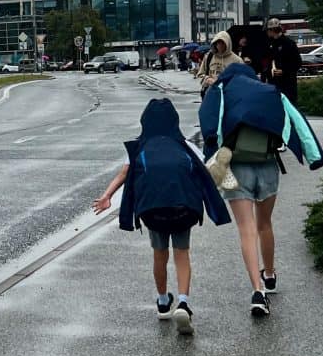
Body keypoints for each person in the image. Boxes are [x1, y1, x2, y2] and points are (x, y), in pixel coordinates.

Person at [92, 98, 231, 336]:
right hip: (183, 207)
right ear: (174, 121)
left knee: (159, 254)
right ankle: (184, 303)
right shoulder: (186, 145)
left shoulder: (139, 146)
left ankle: (163, 301)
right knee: (182, 254)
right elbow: (208, 174)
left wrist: (106, 196)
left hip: (152, 209)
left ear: (145, 121)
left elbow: (124, 174)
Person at [199, 63, 323, 317]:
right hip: (268, 166)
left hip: (236, 167)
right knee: (264, 224)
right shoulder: (271, 92)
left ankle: (257, 292)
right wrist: (314, 157)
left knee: (246, 229)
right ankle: (269, 275)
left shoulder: (221, 90)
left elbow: (208, 125)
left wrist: (211, 155)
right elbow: (297, 122)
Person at [196, 30, 244, 98]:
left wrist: (223, 81)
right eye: (218, 42)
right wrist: (207, 79)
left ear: (227, 43)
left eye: (223, 42)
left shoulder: (237, 60)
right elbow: (200, 75)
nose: (220, 45)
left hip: (229, 96)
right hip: (210, 95)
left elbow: (242, 80)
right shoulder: (209, 57)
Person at [266, 18, 302, 104]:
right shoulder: (270, 44)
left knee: (289, 107)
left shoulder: (289, 43)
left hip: (287, 84)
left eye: (268, 30)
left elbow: (297, 62)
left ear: (272, 30)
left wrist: (284, 71)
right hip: (273, 83)